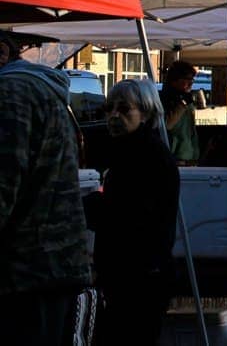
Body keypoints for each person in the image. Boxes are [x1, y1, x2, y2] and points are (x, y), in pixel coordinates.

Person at [0, 33, 90, 346]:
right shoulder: (37, 89)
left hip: (27, 274)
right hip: (47, 267)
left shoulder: (11, 93)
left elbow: (3, 184)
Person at [85, 79, 180, 345]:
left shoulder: (147, 156)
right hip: (131, 274)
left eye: (124, 109)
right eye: (110, 108)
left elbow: (131, 216)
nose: (114, 115)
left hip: (139, 278)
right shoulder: (129, 151)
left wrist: (91, 205)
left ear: (146, 113)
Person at [159, 60, 201, 163]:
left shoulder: (186, 100)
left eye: (192, 79)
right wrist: (182, 104)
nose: (191, 83)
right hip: (174, 158)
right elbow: (166, 125)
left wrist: (195, 154)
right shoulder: (164, 99)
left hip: (189, 157)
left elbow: (190, 131)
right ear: (175, 80)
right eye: (187, 79)